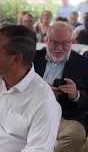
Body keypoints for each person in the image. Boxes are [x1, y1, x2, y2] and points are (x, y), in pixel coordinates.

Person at [33, 21, 88, 152]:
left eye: (64, 43)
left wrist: (75, 94)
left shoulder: (83, 64)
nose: (59, 48)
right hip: (32, 112)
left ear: (71, 42)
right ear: (46, 40)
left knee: (75, 134)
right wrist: (42, 90)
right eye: (54, 43)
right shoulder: (33, 58)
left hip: (64, 117)